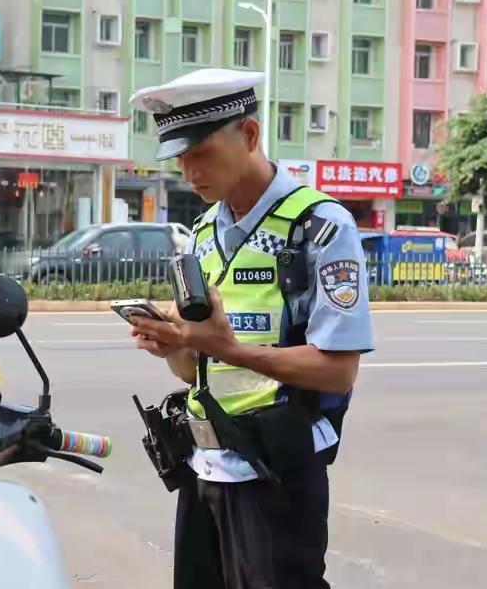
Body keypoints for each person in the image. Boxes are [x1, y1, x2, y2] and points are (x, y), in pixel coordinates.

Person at [127, 69, 374, 588]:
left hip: (276, 475)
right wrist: (172, 345)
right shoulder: (200, 233)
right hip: (204, 466)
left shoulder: (321, 228)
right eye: (181, 159)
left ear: (251, 136)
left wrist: (230, 349)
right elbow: (196, 366)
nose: (191, 173)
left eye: (203, 154)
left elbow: (337, 372)